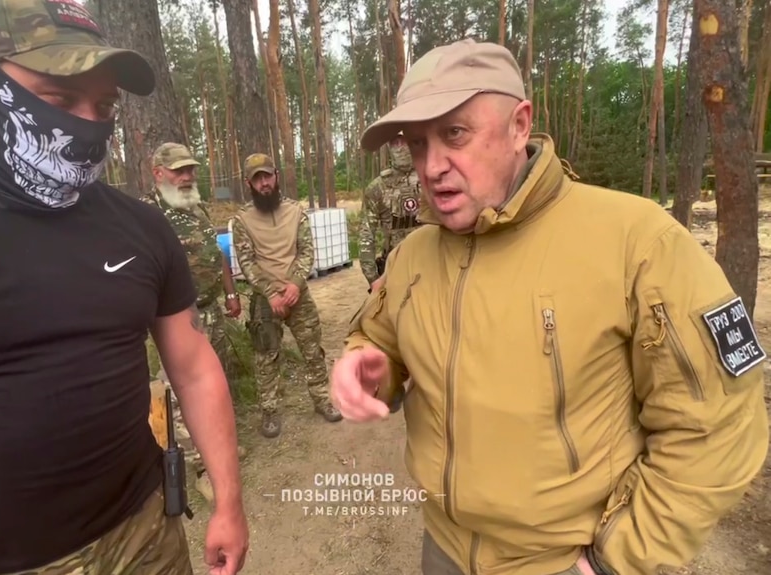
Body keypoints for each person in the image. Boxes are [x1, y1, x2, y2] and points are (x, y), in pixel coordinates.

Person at [330, 38, 769, 575]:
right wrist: (368, 364)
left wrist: (618, 559)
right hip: (441, 549)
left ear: (520, 125)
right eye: (418, 143)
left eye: (455, 134)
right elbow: (378, 336)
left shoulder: (638, 242)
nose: (432, 165)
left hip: (561, 561)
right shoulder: (413, 254)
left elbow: (719, 424)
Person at [0, 1, 248, 574]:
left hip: (146, 535)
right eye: (60, 99)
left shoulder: (140, 227)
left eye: (104, 106)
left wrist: (230, 502)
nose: (87, 124)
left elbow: (191, 363)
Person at [147, 142, 249, 501]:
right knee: (182, 392)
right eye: (179, 170)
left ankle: (216, 448)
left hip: (211, 309)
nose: (187, 176)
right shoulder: (149, 215)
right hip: (178, 318)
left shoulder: (194, 205)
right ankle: (203, 467)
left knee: (214, 380)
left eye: (190, 168)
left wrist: (231, 292)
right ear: (158, 173)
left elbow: (217, 251)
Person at [231, 153, 343, 438]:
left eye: (268, 176)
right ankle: (269, 411)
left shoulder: (296, 211)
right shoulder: (242, 219)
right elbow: (246, 262)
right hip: (265, 299)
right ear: (249, 183)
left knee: (313, 350)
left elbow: (306, 251)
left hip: (299, 295)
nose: (265, 183)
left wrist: (295, 284)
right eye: (258, 179)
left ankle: (321, 398)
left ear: (276, 176)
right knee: (265, 357)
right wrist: (270, 293)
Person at [358, 135, 423, 292]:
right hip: (394, 270)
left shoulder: (431, 177)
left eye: (404, 140)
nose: (400, 147)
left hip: (433, 264)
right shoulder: (377, 188)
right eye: (395, 142)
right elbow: (366, 236)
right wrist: (373, 279)